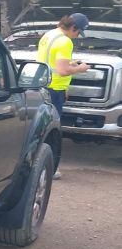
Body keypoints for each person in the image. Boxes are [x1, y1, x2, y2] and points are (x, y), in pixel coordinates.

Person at [36, 13, 90, 179]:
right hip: (54, 90)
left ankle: (39, 166)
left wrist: (70, 63)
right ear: (73, 27)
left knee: (41, 131)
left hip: (44, 86)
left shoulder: (49, 35)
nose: (76, 36)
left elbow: (51, 62)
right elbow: (62, 70)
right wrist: (80, 69)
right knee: (54, 132)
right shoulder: (65, 41)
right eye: (78, 32)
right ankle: (52, 170)